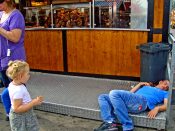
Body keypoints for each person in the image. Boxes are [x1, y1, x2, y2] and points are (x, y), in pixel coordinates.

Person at [94, 80, 169, 131]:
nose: (165, 87)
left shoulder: (165, 93)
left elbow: (166, 105)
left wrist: (157, 108)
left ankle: (128, 126)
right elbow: (130, 93)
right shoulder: (146, 86)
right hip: (132, 100)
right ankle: (110, 123)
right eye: (165, 84)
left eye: (167, 87)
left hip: (143, 102)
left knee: (114, 93)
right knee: (103, 97)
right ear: (160, 82)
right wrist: (139, 84)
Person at [0, 0, 26, 121]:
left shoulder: (16, 15)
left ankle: (18, 113)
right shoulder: (1, 14)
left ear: (8, 1)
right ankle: (11, 112)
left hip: (14, 57)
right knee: (7, 86)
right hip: (2, 57)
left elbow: (15, 38)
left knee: (15, 87)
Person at [6, 60, 43, 131]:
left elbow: (22, 102)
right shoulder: (18, 90)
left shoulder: (13, 84)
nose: (29, 75)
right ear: (20, 76)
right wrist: (33, 103)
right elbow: (17, 109)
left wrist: (34, 101)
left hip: (25, 115)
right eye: (28, 74)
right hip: (21, 117)